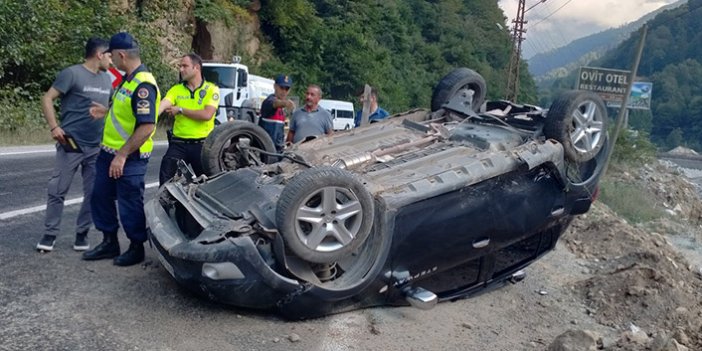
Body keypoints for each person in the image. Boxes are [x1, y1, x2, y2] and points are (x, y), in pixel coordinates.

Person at [81, 32, 160, 267]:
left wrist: (122, 155)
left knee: (129, 201)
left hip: (130, 156)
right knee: (100, 196)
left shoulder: (143, 84)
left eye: (112, 55)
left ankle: (136, 248)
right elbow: (127, 113)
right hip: (109, 152)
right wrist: (105, 111)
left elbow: (147, 126)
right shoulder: (128, 78)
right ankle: (109, 242)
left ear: (121, 54)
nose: (110, 59)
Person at [36, 37, 113, 253]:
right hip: (71, 142)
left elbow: (113, 108)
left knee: (93, 193)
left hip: (96, 145)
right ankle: (50, 234)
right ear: (99, 54)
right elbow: (47, 98)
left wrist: (106, 113)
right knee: (58, 189)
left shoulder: (108, 79)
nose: (111, 60)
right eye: (109, 55)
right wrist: (54, 127)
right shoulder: (72, 73)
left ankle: (82, 234)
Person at [158, 53, 220, 186]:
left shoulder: (211, 89)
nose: (181, 69)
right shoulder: (176, 89)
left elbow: (206, 115)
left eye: (185, 66)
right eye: (180, 66)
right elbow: (163, 104)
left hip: (202, 145)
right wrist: (150, 116)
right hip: (178, 144)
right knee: (165, 179)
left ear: (196, 68)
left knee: (210, 185)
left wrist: (180, 110)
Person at [258, 74, 295, 153]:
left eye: (287, 89)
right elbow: (275, 103)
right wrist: (285, 103)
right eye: (281, 88)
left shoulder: (281, 110)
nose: (284, 91)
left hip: (276, 149)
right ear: (275, 86)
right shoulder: (268, 101)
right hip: (265, 149)